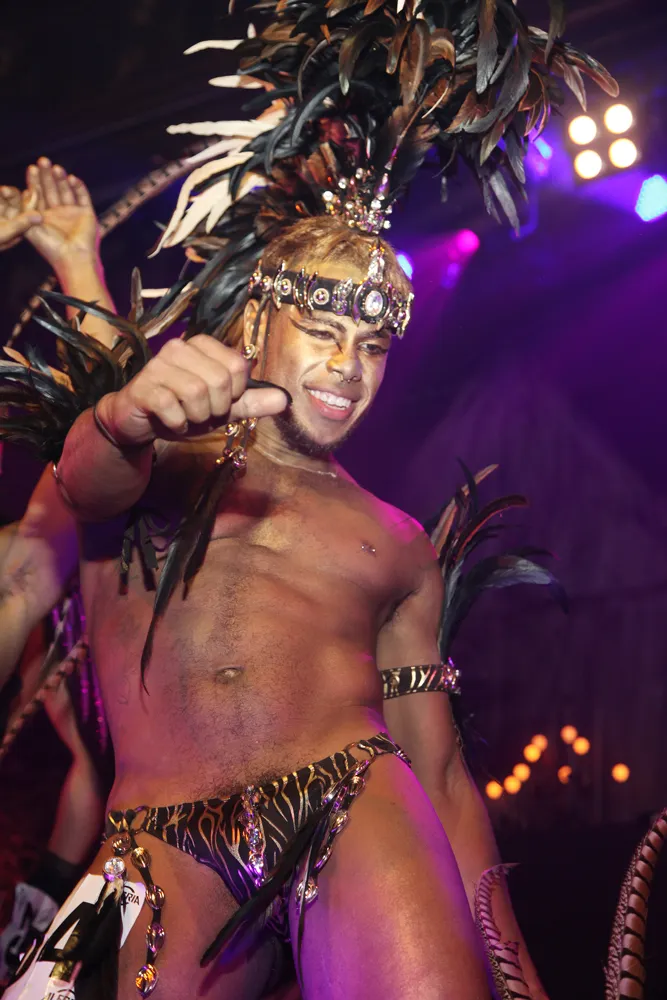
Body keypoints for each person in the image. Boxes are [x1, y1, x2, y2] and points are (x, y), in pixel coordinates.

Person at [0, 3, 617, 997]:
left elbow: (441, 771)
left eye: (373, 344)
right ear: (258, 324)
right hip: (155, 842)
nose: (347, 364)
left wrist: (515, 972)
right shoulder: (162, 448)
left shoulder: (394, 539)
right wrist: (123, 414)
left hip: (352, 803)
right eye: (323, 329)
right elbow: (85, 477)